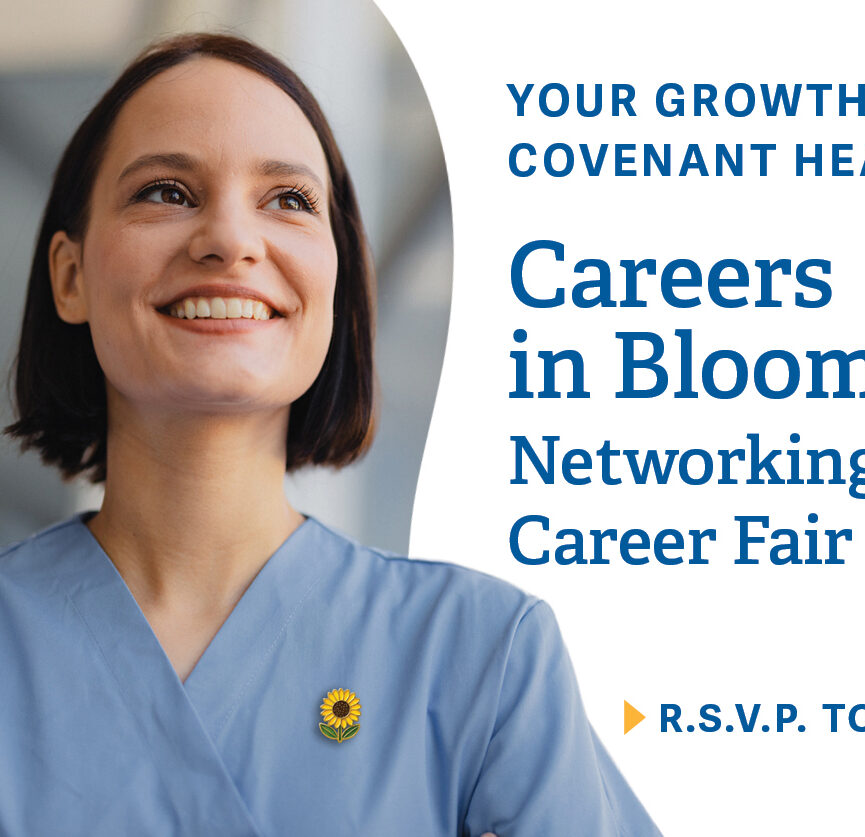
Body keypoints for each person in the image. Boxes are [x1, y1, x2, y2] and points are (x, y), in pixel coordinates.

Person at [0, 33, 658, 836]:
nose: (231, 240)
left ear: (336, 279)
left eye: (288, 200)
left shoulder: (485, 660)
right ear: (70, 276)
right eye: (168, 192)